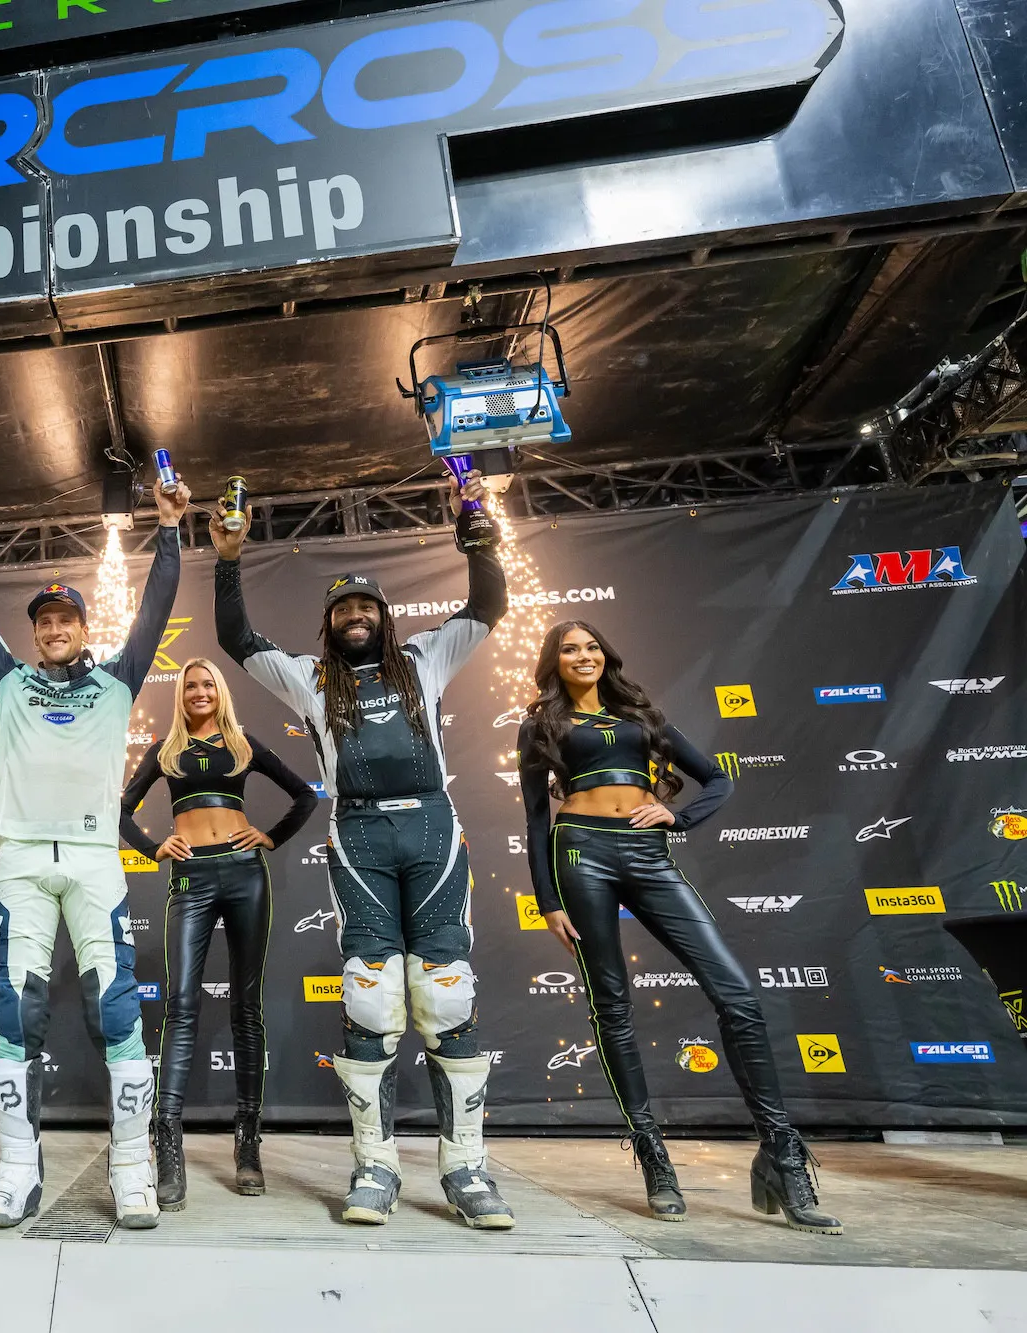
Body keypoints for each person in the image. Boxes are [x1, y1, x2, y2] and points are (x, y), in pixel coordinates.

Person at [212, 473, 514, 1230]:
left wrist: (474, 529)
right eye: (342, 607)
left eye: (365, 606)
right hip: (359, 833)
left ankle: (465, 1168)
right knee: (372, 994)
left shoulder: (424, 659)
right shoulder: (312, 680)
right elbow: (237, 641)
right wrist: (226, 559)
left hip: (433, 829)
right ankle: (375, 1166)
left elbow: (486, 606)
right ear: (330, 621)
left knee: (446, 993)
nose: (354, 615)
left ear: (382, 615)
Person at [0, 478, 190, 1230]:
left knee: (117, 1012)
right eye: (43, 620)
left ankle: (132, 1169)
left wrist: (168, 532)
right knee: (16, 1013)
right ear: (35, 631)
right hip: (23, 867)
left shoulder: (117, 683)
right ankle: (17, 1171)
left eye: (64, 618)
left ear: (81, 625)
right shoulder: (9, 682)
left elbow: (155, 612)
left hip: (94, 861)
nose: (52, 628)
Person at [518, 621, 841, 1233]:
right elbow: (536, 819)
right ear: (554, 662)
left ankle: (780, 1150)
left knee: (738, 996)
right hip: (579, 854)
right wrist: (546, 900)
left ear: (605, 655)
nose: (582, 656)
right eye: (569, 649)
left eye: (591, 646)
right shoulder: (540, 725)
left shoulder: (642, 715)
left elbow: (718, 777)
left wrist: (678, 815)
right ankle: (653, 1156)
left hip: (647, 855)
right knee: (611, 1003)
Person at [119, 658, 316, 1208]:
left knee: (246, 1008)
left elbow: (305, 796)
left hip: (245, 875)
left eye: (207, 684)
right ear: (179, 695)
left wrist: (270, 838)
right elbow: (121, 811)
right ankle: (169, 1144)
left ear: (219, 692)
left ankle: (247, 1144)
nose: (199, 692)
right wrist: (152, 847)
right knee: (182, 1006)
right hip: (190, 877)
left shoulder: (244, 743)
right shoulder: (165, 749)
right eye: (190, 686)